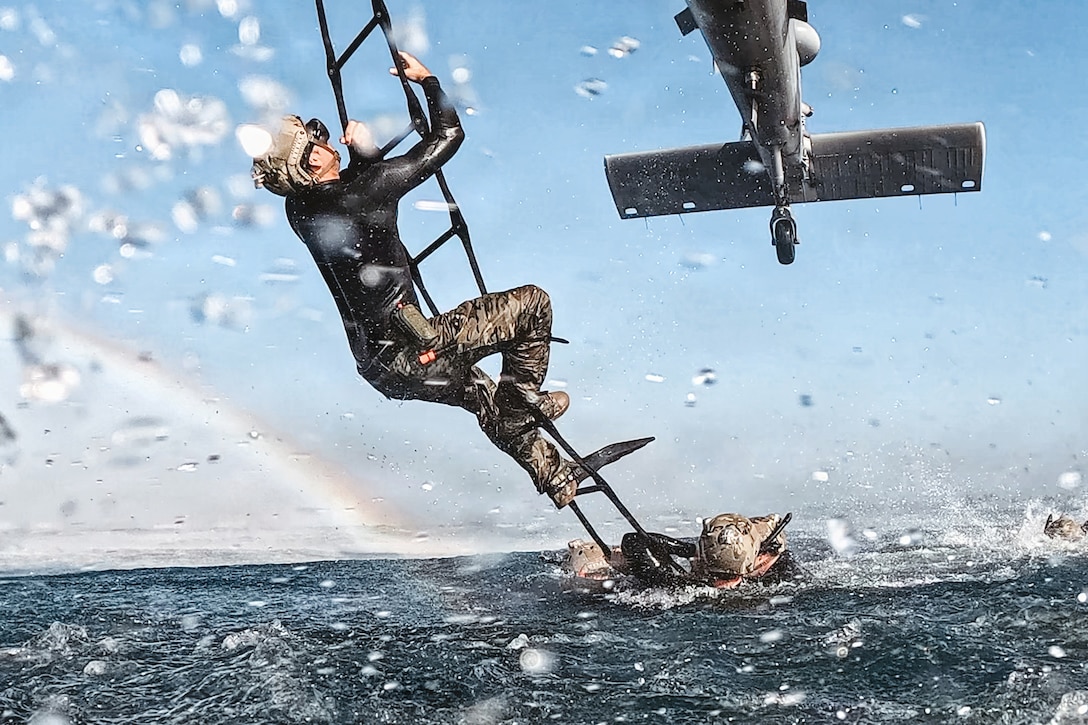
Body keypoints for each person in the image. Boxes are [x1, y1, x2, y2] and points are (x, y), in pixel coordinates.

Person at [249, 52, 583, 508]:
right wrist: (428, 82)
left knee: (482, 393)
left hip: (379, 369)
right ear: (310, 165)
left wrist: (362, 155)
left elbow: (348, 201)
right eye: (316, 137)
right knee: (532, 305)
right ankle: (524, 401)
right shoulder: (365, 189)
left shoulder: (299, 211)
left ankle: (553, 474)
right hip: (415, 350)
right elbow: (448, 135)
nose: (324, 136)